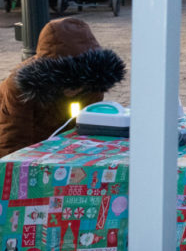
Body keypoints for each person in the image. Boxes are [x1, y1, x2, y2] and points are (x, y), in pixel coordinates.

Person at [0, 17, 125, 157]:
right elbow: (12, 142)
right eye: (67, 82)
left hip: (55, 153)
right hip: (24, 150)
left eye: (79, 83)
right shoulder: (18, 88)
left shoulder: (93, 85)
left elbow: (85, 129)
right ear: (50, 75)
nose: (74, 90)